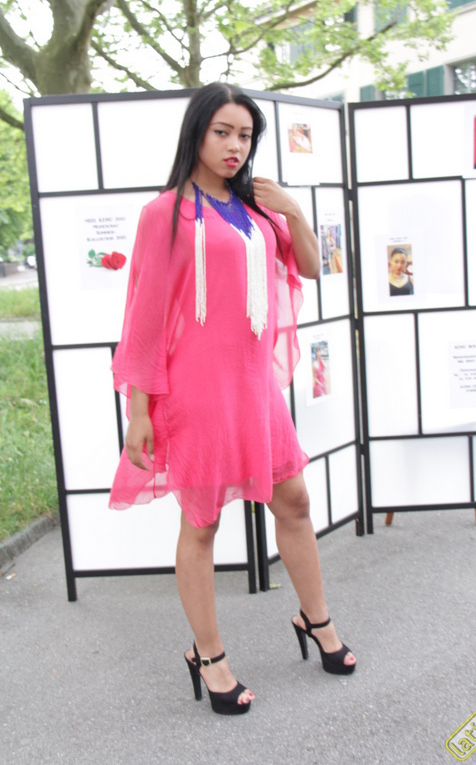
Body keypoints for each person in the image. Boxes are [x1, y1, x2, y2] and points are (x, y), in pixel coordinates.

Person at [109, 83, 356, 716]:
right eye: (222, 131)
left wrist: (293, 210)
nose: (234, 145)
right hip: (194, 390)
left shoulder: (258, 208)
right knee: (203, 522)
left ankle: (316, 620)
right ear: (197, 132)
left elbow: (310, 266)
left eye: (244, 135)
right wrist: (138, 411)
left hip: (252, 386)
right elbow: (145, 316)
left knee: (294, 500)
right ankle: (209, 655)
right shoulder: (164, 212)